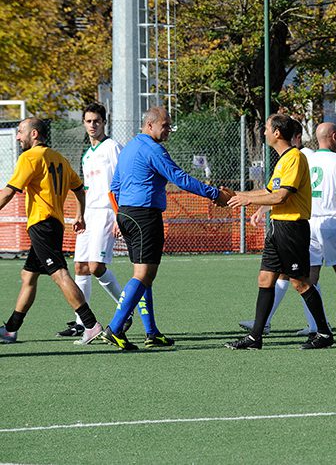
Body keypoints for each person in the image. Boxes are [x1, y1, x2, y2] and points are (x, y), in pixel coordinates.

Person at [102, 106, 231, 351]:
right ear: (150, 125)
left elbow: (114, 187)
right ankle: (115, 328)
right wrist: (214, 193)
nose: (169, 130)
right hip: (144, 215)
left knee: (143, 275)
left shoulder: (129, 147)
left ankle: (151, 332)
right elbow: (180, 178)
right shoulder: (153, 149)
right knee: (143, 275)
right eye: (165, 125)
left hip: (127, 214)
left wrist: (120, 215)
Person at [225, 113, 334, 350]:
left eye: (266, 128)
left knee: (300, 282)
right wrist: (236, 195)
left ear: (276, 133)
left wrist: (246, 200)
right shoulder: (283, 159)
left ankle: (324, 333)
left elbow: (282, 196)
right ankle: (255, 337)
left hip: (292, 228)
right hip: (277, 227)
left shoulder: (294, 157)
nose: (263, 132)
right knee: (265, 279)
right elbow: (268, 192)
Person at [0, 118, 103, 345]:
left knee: (60, 274)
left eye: (20, 132)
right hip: (53, 225)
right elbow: (79, 188)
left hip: (42, 224)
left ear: (34, 134)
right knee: (28, 276)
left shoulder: (30, 157)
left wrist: (81, 215)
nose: (17, 137)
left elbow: (8, 192)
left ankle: (90, 325)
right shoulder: (59, 158)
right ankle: (10, 330)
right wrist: (80, 214)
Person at [56, 103, 132, 338]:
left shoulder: (112, 147)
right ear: (84, 123)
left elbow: (123, 182)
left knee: (96, 267)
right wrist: (80, 213)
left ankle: (126, 310)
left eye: (96, 121)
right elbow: (86, 189)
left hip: (107, 213)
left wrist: (119, 215)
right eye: (88, 121)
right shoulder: (87, 154)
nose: (92, 125)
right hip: (89, 214)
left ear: (104, 123)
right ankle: (83, 323)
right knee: (80, 266)